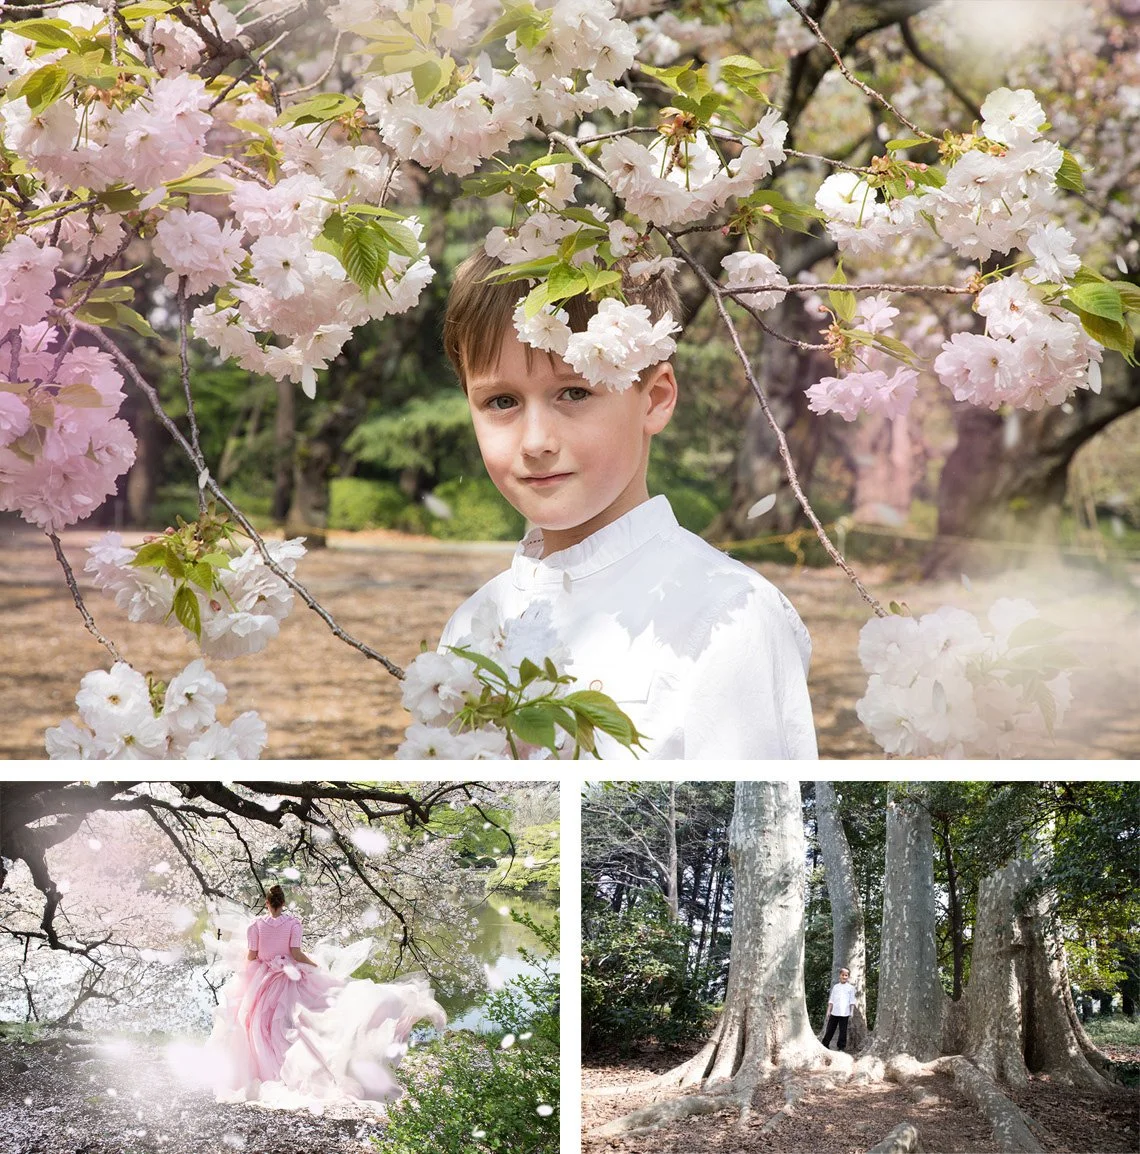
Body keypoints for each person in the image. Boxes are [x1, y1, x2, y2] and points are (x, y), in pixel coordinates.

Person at [437, 248, 818, 759]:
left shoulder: (728, 616)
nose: (535, 442)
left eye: (573, 393)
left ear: (655, 399)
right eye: (501, 402)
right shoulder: (472, 624)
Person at [209, 884, 445, 1105]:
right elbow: (296, 953)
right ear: (283, 903)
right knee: (304, 1020)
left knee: (260, 1024)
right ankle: (298, 1066)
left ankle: (263, 1070)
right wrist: (314, 966)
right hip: (290, 975)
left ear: (266, 902)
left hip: (264, 979)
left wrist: (254, 961)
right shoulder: (293, 924)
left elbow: (252, 955)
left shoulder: (255, 926)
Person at [822, 967, 856, 1051]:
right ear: (839, 975)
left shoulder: (850, 988)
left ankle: (841, 1047)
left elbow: (852, 1001)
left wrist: (851, 1012)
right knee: (830, 1029)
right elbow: (831, 1000)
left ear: (848, 977)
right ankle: (825, 1044)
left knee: (843, 1031)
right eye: (843, 975)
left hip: (845, 1013)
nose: (844, 977)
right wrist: (828, 1011)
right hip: (834, 1012)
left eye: (846, 975)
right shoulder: (836, 987)